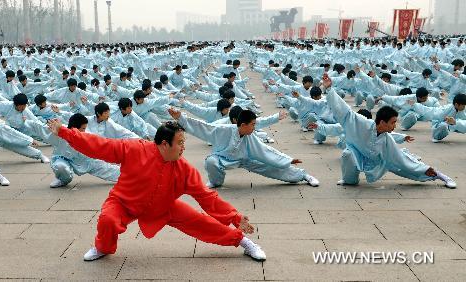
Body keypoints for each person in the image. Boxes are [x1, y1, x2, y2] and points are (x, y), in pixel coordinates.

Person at [47, 117, 267, 262]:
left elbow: (207, 197)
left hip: (163, 207)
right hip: (124, 202)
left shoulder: (184, 170)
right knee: (107, 220)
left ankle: (243, 242)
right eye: (179, 143)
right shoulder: (133, 149)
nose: (183, 147)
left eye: (183, 142)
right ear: (164, 144)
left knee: (202, 222)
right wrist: (65, 132)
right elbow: (98, 145)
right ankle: (103, 247)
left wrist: (235, 217)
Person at [322, 77, 456, 188]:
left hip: (377, 162)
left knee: (402, 162)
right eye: (392, 122)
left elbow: (401, 161)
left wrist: (425, 169)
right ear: (381, 122)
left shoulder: (387, 140)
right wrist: (329, 89)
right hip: (357, 154)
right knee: (347, 154)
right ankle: (349, 179)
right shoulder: (362, 122)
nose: (394, 125)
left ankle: (440, 175)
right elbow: (346, 112)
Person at [171, 108, 319, 188]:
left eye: (255, 124)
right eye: (253, 125)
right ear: (243, 125)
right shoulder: (223, 129)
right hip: (222, 158)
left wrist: (288, 160)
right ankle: (216, 182)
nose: (255, 127)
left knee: (270, 166)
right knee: (211, 162)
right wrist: (181, 118)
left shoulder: (250, 136)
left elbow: (266, 151)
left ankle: (302, 176)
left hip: (246, 158)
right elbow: (202, 127)